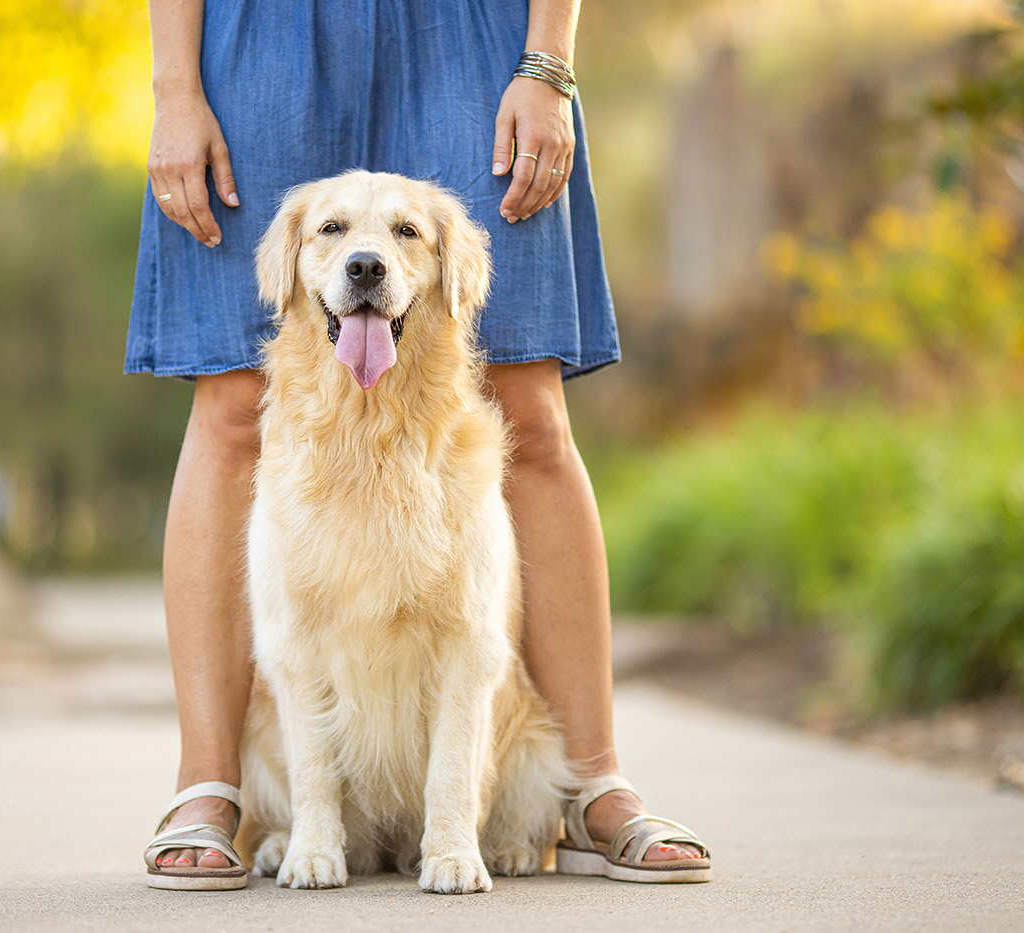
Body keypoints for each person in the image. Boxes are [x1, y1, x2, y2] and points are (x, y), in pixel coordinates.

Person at [130, 0, 710, 889]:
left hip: (474, 32)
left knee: (526, 403)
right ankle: (216, 786)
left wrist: (547, 60)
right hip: (258, 36)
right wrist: (175, 85)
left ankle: (589, 782)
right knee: (234, 405)